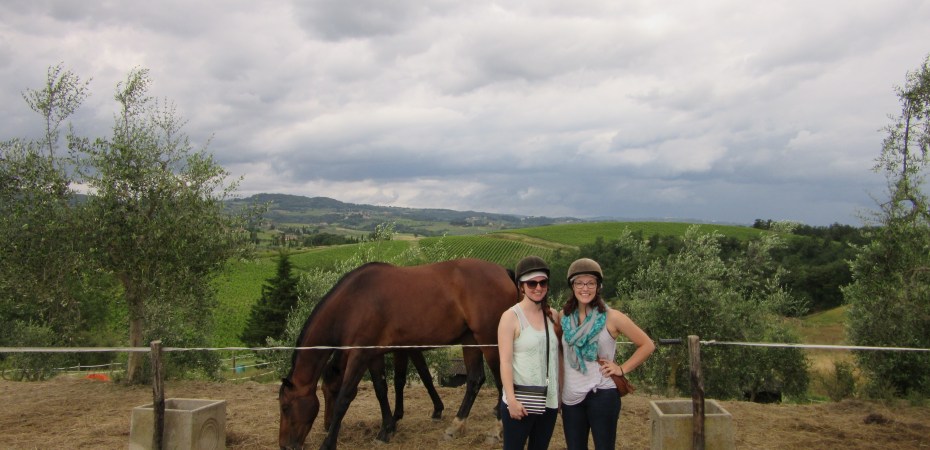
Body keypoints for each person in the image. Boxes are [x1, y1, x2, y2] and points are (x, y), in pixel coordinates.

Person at [559, 258, 655, 450]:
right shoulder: (564, 317)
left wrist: (621, 368)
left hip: (602, 394)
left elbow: (647, 345)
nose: (585, 288)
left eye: (591, 283)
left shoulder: (612, 317)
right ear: (572, 286)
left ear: (598, 286)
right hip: (571, 397)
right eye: (579, 282)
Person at [497, 255, 560, 450]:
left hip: (548, 401)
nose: (538, 287)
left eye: (543, 282)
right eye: (531, 283)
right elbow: (505, 362)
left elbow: (557, 358)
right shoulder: (510, 317)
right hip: (520, 403)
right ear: (521, 286)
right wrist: (511, 401)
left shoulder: (553, 315)